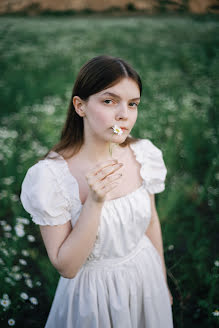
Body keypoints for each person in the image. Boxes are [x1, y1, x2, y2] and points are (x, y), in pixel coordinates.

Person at [20, 55, 174, 328]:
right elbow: (66, 267)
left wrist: (160, 280)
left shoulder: (142, 154)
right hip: (94, 298)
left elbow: (150, 220)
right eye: (109, 101)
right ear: (80, 106)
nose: (123, 115)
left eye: (132, 104)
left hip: (145, 278)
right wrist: (95, 201)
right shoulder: (50, 177)